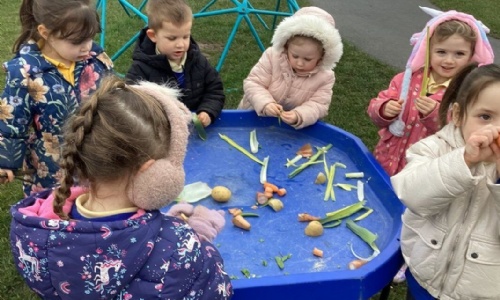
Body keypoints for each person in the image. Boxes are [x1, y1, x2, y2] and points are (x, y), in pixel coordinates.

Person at [9, 76, 233, 299]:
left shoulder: (35, 231)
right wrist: (198, 239)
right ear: (152, 170)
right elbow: (215, 290)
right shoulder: (179, 246)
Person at [390, 63, 500, 300]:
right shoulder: (435, 147)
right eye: (485, 117)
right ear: (459, 115)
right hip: (424, 280)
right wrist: (463, 161)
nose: (496, 130)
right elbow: (411, 194)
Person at [0, 0, 113, 196]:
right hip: (49, 168)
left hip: (94, 158)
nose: (87, 47)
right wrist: (5, 162)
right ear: (46, 33)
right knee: (55, 215)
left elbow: (114, 99)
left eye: (90, 37)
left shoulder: (96, 59)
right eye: (77, 41)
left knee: (92, 210)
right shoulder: (24, 72)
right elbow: (11, 122)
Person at [367, 7, 494, 177]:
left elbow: (461, 134)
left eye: (459, 54)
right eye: (441, 52)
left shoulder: (467, 91)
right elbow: (375, 111)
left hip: (425, 169)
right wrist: (383, 109)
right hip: (388, 157)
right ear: (427, 50)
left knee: (409, 201)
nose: (449, 60)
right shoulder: (406, 80)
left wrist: (435, 115)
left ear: (472, 56)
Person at [237, 6, 343, 129]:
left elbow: (319, 104)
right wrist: (266, 103)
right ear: (287, 46)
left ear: (322, 56)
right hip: (254, 115)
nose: (300, 63)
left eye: (307, 59)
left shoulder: (325, 76)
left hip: (289, 129)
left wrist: (299, 115)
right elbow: (253, 83)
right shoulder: (272, 56)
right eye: (295, 56)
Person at [125, 0, 224, 128]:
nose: (180, 44)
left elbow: (215, 91)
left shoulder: (198, 60)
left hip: (195, 129)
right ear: (153, 35)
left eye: (185, 37)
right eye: (172, 38)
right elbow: (130, 103)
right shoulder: (141, 68)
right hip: (160, 131)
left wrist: (207, 111)